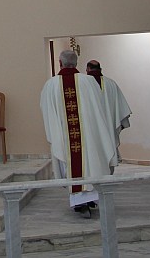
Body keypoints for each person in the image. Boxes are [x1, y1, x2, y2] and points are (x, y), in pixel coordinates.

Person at [40, 49, 117, 217]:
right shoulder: (89, 82)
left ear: (60, 63)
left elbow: (47, 112)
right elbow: (99, 110)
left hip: (65, 138)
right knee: (90, 163)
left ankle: (81, 202)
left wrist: (55, 133)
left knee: (72, 164)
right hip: (88, 137)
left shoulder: (50, 85)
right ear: (76, 63)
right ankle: (88, 199)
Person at [86, 60, 132, 163]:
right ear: (100, 69)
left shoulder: (84, 84)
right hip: (109, 125)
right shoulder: (111, 83)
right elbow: (121, 107)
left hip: (91, 125)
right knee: (109, 150)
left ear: (88, 69)